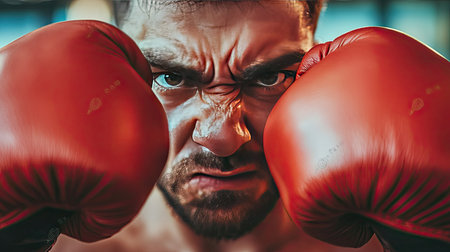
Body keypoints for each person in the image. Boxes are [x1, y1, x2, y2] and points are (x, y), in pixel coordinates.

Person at [52, 0, 385, 251]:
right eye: (171, 77)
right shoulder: (57, 242)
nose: (223, 138)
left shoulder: (384, 238)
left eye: (269, 78)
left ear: (316, 66)